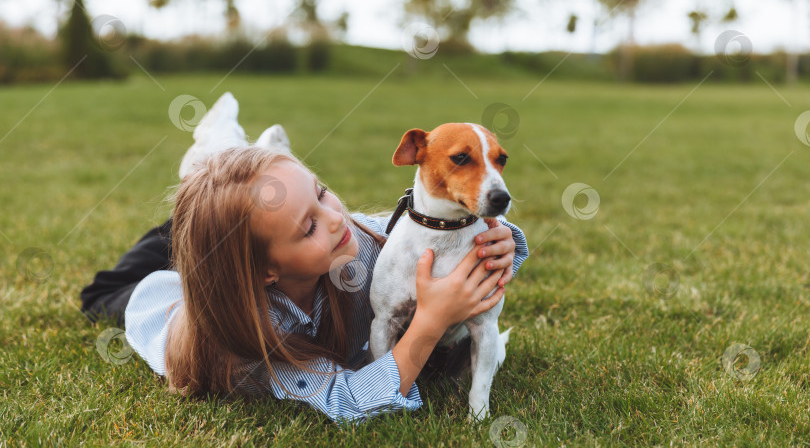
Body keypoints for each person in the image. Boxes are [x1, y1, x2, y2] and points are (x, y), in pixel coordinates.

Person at [81, 145, 529, 423]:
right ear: (265, 272)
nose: (338, 218)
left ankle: (226, 168)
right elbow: (347, 400)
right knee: (122, 281)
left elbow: (422, 237)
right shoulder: (254, 338)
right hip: (167, 298)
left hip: (248, 247)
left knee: (236, 204)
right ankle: (202, 182)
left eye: (320, 192)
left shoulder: (353, 241)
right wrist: (430, 323)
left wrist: (503, 239)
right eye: (308, 227)